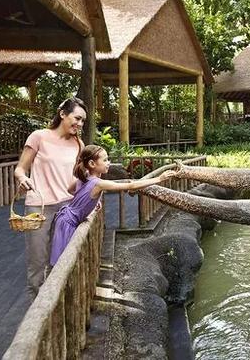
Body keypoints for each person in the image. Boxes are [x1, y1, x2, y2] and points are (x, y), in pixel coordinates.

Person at [50, 145, 177, 266]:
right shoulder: (98, 183)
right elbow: (130, 186)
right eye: (105, 160)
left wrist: (91, 201)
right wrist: (159, 179)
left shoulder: (85, 178)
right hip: (69, 223)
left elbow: (70, 190)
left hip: (65, 217)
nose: (108, 162)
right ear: (92, 164)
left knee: (66, 259)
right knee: (64, 261)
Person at [14, 97, 87, 300]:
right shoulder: (39, 136)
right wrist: (22, 178)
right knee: (37, 263)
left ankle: (57, 306)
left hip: (67, 208)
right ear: (63, 114)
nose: (80, 124)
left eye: (83, 121)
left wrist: (91, 200)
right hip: (38, 208)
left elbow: (80, 179)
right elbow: (20, 168)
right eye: (77, 118)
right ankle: (36, 312)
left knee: (60, 260)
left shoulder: (78, 144)